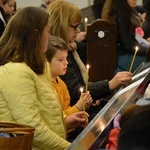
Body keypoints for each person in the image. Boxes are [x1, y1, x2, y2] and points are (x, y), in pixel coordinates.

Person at [0, 6, 89, 150]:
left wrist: (64, 122)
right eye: (47, 31)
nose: (49, 36)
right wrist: (73, 148)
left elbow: (44, 113)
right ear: (35, 34)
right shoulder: (16, 71)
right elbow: (32, 128)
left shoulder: (36, 66)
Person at [47, 0, 132, 120]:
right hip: (73, 115)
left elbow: (82, 85)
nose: (78, 31)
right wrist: (109, 84)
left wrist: (93, 96)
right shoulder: (57, 54)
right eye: (75, 26)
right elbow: (76, 91)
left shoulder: (70, 48)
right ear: (61, 24)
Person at [45, 36, 93, 117]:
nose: (66, 62)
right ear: (46, 61)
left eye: (66, 58)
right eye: (61, 60)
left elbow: (67, 109)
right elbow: (56, 118)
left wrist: (83, 108)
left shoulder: (62, 84)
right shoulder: (46, 85)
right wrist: (78, 106)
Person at [101, 0, 149, 73]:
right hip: (123, 58)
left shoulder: (125, 12)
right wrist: (147, 51)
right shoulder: (120, 16)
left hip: (127, 54)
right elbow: (128, 45)